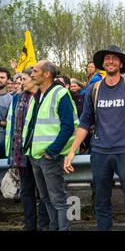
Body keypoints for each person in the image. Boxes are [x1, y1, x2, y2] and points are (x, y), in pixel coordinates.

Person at [64, 45, 125, 231]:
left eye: (114, 58)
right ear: (103, 63)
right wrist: (72, 151)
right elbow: (84, 123)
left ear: (121, 63)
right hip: (100, 153)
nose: (110, 61)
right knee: (101, 202)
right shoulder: (93, 89)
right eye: (107, 58)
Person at [21, 60, 79, 231]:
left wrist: (51, 151)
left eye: (36, 70)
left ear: (46, 74)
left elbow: (69, 126)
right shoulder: (38, 95)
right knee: (46, 198)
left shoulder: (59, 93)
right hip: (35, 156)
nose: (32, 74)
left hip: (49, 157)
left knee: (58, 200)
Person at [4, 67, 50, 231]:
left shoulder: (43, 97)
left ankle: (45, 224)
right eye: (19, 79)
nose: (20, 83)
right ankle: (29, 225)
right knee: (26, 191)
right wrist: (11, 153)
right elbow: (11, 126)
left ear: (33, 78)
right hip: (21, 153)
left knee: (44, 192)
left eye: (24, 79)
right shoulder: (17, 98)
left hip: (39, 152)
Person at [0, 67, 13, 159]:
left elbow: (12, 123)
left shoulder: (11, 100)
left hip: (3, 143)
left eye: (2, 77)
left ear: (7, 80)